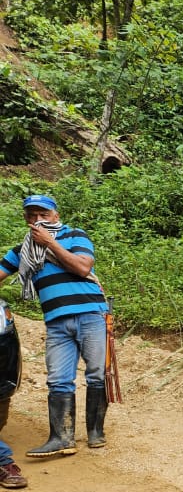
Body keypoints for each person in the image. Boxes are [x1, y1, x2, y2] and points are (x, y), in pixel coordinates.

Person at [0, 194, 110, 456]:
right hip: (56, 321)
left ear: (56, 216)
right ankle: (61, 438)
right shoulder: (21, 251)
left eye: (43, 215)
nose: (37, 220)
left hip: (91, 314)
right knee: (58, 379)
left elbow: (83, 267)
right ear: (26, 219)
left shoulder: (75, 236)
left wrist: (50, 243)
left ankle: (96, 433)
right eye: (32, 216)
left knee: (96, 373)